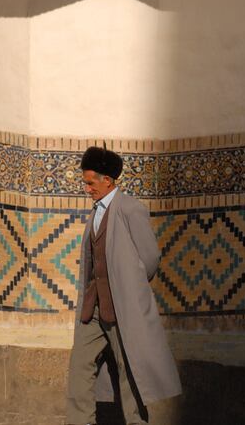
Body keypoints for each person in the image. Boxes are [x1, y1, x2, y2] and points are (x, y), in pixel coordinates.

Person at [66, 146, 181, 425]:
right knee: (79, 368)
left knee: (130, 371)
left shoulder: (130, 208)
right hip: (92, 310)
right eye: (85, 182)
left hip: (122, 308)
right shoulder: (94, 214)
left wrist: (131, 285)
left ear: (108, 180)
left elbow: (150, 257)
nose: (86, 188)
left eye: (90, 182)